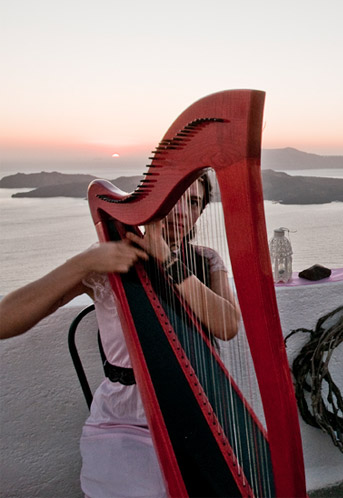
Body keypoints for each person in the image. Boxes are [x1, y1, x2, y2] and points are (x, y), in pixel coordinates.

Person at [0, 172, 240, 497]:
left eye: (194, 202)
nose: (183, 211)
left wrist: (168, 261)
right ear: (152, 203)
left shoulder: (205, 259)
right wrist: (83, 264)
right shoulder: (107, 260)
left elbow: (227, 326)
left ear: (200, 213)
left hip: (199, 414)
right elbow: (5, 321)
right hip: (123, 422)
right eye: (175, 200)